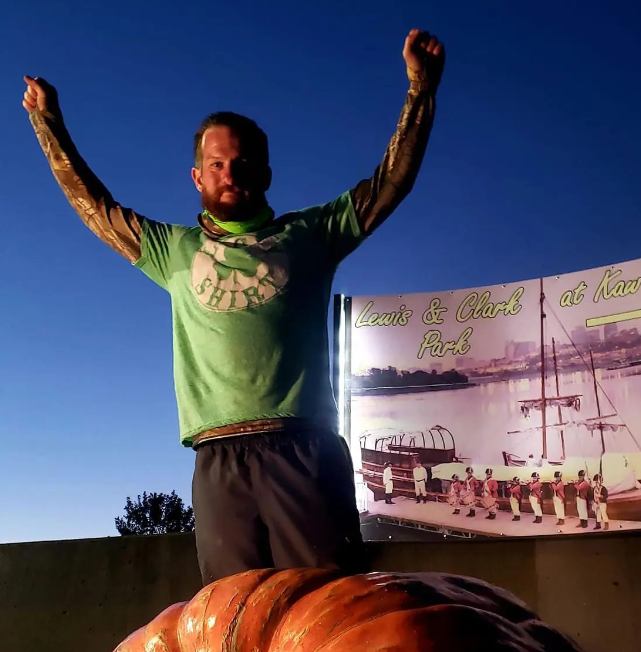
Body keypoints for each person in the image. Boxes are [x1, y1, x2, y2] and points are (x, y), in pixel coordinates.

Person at [23, 28, 445, 585]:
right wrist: (47, 124)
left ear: (266, 174)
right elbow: (94, 206)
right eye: (217, 165)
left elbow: (390, 183)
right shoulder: (170, 250)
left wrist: (420, 90)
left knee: (326, 606)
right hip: (217, 457)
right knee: (233, 613)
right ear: (197, 176)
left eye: (243, 164)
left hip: (303, 448)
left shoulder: (311, 235)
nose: (231, 175)